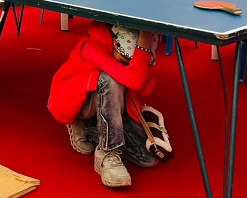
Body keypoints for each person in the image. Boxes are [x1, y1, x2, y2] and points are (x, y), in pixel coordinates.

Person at [48, 21, 162, 188]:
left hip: (115, 108)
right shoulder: (92, 44)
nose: (130, 60)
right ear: (116, 42)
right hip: (83, 103)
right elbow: (135, 80)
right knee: (111, 80)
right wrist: (143, 40)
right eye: (127, 55)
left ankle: (91, 130)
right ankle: (107, 152)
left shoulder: (140, 42)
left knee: (148, 158)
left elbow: (144, 86)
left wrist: (145, 38)